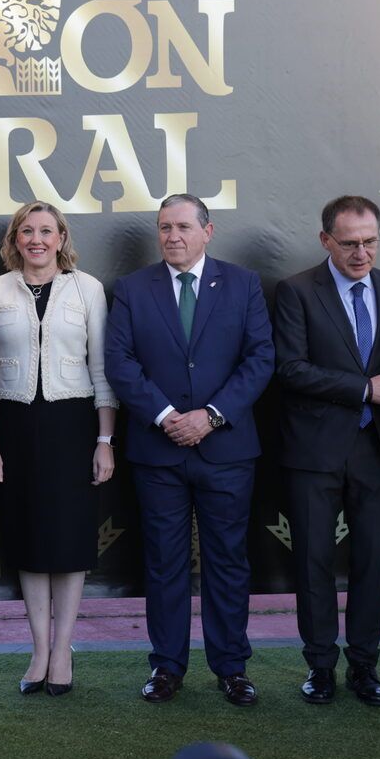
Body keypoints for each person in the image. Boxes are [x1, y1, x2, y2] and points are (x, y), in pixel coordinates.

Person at [104, 194, 274, 706]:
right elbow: (120, 361)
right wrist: (165, 417)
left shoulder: (243, 285)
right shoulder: (133, 289)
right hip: (158, 452)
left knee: (227, 561)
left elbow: (260, 357)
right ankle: (166, 667)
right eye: (164, 228)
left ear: (208, 231)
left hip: (226, 450)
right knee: (163, 562)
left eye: (182, 227)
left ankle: (231, 668)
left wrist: (211, 416)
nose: (172, 236)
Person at [0, 202, 117, 697]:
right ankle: (39, 650)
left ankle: (63, 651)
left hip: (73, 424)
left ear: (61, 238)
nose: (36, 239)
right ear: (15, 239)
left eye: (46, 231)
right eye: (26, 231)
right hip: (14, 427)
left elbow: (101, 370)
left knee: (69, 540)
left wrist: (104, 440)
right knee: (31, 541)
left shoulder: (88, 288)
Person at [274, 196, 380, 706]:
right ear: (326, 240)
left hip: (375, 447)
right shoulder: (295, 291)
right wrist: (363, 390)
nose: (361, 253)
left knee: (372, 562)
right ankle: (320, 667)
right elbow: (290, 369)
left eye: (370, 241)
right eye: (350, 243)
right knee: (313, 561)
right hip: (313, 450)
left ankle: (365, 667)